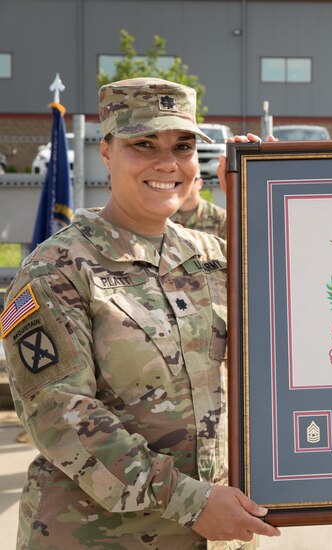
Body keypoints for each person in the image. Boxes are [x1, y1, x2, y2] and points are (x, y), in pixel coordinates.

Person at [0, 77, 279, 548]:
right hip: (97, 537)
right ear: (107, 151)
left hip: (218, 533)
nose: (167, 163)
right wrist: (189, 501)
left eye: (183, 146)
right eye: (143, 144)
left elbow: (299, 313)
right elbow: (60, 415)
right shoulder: (55, 269)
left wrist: (271, 191)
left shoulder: (215, 255)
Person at [170, 169, 228, 238]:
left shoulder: (221, 218)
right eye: (179, 182)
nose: (185, 185)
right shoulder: (164, 217)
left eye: (190, 180)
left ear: (200, 183)